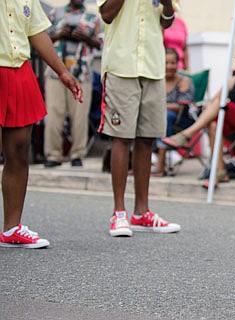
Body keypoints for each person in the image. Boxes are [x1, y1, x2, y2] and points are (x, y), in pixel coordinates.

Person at [0, 0, 82, 248]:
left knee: (18, 152)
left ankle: (12, 228)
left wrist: (63, 73)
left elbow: (37, 33)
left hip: (19, 71)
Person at [98, 0, 181, 237]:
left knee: (147, 139)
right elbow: (106, 14)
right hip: (121, 66)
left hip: (153, 67)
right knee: (121, 137)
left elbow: (167, 21)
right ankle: (119, 212)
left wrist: (166, 4)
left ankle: (141, 212)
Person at [162, 42, 235, 187]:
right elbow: (213, 100)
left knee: (222, 103)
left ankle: (187, 134)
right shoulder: (234, 80)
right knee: (213, 124)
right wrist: (207, 105)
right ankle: (220, 171)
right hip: (234, 126)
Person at [43, 0, 101, 168]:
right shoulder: (55, 14)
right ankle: (53, 155)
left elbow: (100, 43)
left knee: (80, 117)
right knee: (54, 114)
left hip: (82, 73)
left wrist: (85, 38)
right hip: (56, 72)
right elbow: (42, 37)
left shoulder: (93, 17)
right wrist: (60, 34)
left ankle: (77, 155)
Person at [152, 48, 194, 177]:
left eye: (173, 63)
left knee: (165, 116)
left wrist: (159, 106)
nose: (169, 66)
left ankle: (160, 166)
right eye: (166, 63)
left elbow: (181, 107)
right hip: (156, 117)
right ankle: (133, 162)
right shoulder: (156, 80)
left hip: (181, 120)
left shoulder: (184, 81)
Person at [163, 6, 188, 71]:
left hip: (180, 66)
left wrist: (187, 67)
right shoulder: (161, 22)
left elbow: (185, 48)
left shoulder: (181, 23)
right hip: (165, 66)